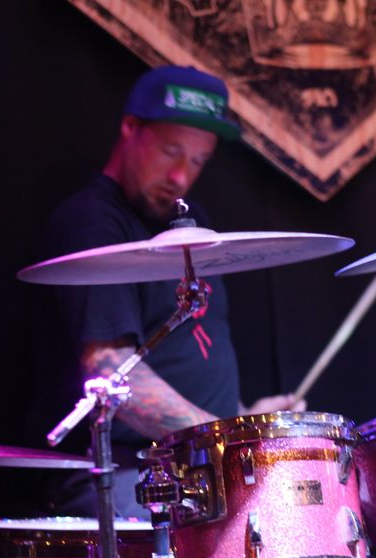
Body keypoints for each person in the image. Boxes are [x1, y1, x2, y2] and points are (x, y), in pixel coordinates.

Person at [27, 65, 304, 518]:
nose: (180, 175)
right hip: (127, 471)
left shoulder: (187, 226)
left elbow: (189, 352)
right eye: (171, 150)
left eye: (198, 160)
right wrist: (231, 438)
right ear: (130, 128)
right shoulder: (94, 223)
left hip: (199, 459)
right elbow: (115, 374)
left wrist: (243, 414)